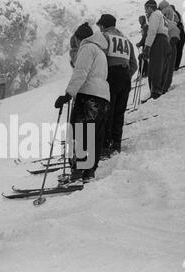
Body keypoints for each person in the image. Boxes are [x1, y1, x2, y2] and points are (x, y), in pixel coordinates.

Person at [55, 22, 110, 183]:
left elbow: (80, 72)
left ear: (80, 39)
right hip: (103, 98)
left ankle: (78, 171)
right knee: (94, 135)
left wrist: (68, 94)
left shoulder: (87, 48)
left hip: (88, 96)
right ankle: (89, 172)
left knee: (78, 133)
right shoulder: (100, 51)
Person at [97, 14, 137, 156]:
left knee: (107, 112)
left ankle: (105, 146)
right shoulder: (125, 40)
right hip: (125, 77)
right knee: (119, 113)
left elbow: (99, 60)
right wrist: (126, 75)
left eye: (99, 26)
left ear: (103, 25)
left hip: (111, 77)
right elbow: (134, 64)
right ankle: (116, 144)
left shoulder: (105, 38)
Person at [142, 0, 171, 101]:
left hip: (158, 41)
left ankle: (155, 92)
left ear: (150, 8)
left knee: (155, 67)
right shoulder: (162, 15)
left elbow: (152, 31)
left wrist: (147, 47)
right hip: (165, 41)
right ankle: (160, 89)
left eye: (146, 9)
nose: (146, 11)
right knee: (162, 67)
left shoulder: (154, 15)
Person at [159, 1, 181, 93]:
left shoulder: (166, 11)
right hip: (174, 36)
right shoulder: (173, 12)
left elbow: (164, 22)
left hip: (169, 38)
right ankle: (165, 86)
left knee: (165, 66)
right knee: (169, 66)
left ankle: (163, 87)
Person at [170, 4, 185, 70]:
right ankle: (175, 65)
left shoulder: (175, 15)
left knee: (178, 50)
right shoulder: (176, 15)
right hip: (179, 36)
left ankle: (176, 65)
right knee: (176, 50)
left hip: (180, 36)